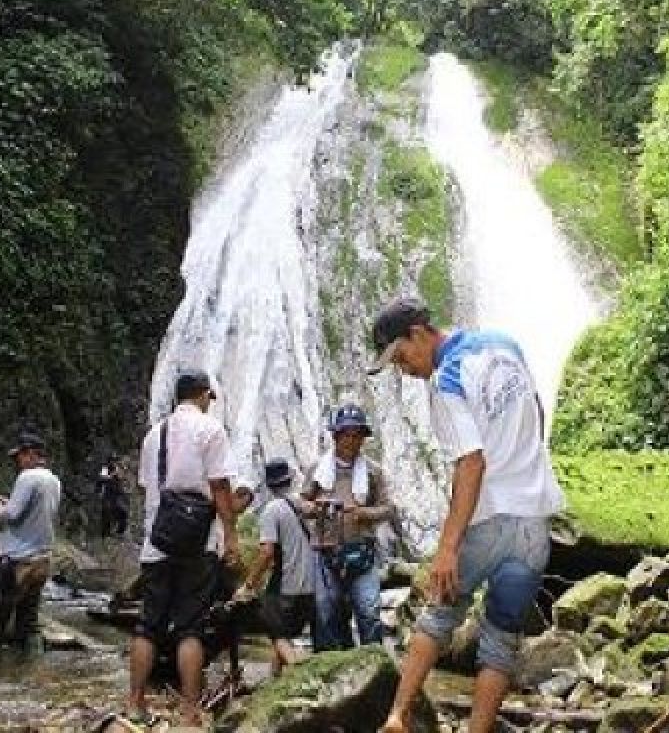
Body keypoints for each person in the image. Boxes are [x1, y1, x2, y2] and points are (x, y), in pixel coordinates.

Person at [367, 297, 565, 733]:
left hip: (490, 519)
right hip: (534, 522)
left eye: (401, 357)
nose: (405, 369)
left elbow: (471, 462)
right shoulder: (505, 345)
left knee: (438, 611)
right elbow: (536, 409)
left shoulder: (447, 380)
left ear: (419, 334)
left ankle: (397, 718)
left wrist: (447, 547)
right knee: (501, 637)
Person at [127, 368, 242, 726]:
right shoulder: (211, 430)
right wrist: (231, 535)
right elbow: (220, 487)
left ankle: (134, 702)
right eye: (210, 397)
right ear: (204, 394)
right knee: (191, 627)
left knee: (149, 626)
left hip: (157, 543)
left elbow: (150, 489)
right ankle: (191, 709)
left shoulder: (153, 435)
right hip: (197, 543)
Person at [300, 402, 394, 650]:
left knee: (368, 609)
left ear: (363, 439)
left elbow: (388, 509)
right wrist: (311, 508)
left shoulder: (374, 472)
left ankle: (374, 664)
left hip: (362, 551)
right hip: (325, 552)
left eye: (357, 436)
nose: (352, 441)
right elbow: (302, 501)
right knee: (326, 610)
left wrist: (363, 513)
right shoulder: (317, 471)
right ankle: (328, 668)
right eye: (346, 435)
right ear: (335, 437)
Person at [0, 431, 62, 655]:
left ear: (29, 454)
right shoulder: (54, 480)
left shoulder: (27, 477)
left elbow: (11, 515)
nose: (17, 461)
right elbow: (38, 511)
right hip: (42, 559)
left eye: (18, 455)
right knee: (29, 622)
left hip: (19, 560)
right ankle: (29, 670)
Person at [236, 458, 316, 675]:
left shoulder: (272, 510)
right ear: (289, 480)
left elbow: (267, 551)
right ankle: (275, 681)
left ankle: (298, 674)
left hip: (287, 586)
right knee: (282, 633)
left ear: (268, 484)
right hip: (309, 586)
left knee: (274, 630)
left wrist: (249, 584)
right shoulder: (299, 505)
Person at [95, 456, 130, 537]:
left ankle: (119, 533)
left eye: (115, 461)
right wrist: (112, 475)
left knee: (123, 513)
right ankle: (105, 534)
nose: (114, 463)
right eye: (113, 461)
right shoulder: (105, 468)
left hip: (115, 496)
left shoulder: (118, 468)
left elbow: (121, 481)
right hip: (106, 495)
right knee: (106, 514)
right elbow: (102, 479)